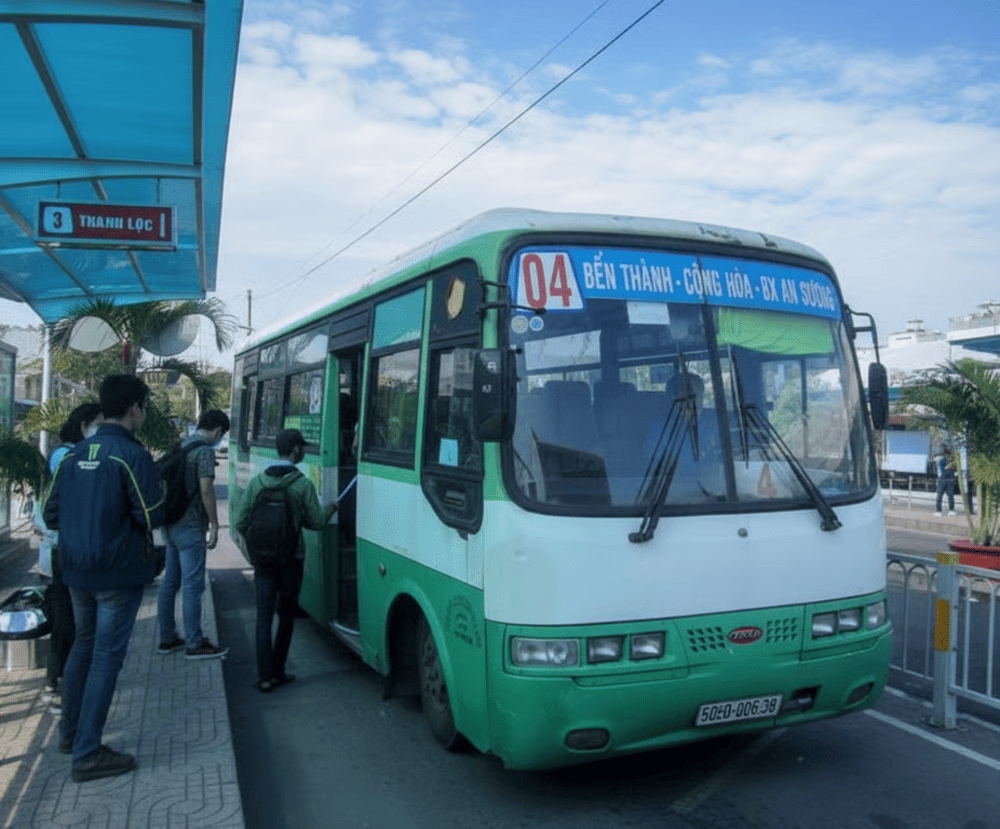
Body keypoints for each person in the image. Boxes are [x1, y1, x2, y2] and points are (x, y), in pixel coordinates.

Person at [43, 374, 165, 783]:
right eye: (143, 407)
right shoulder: (132, 455)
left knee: (84, 645)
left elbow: (51, 515)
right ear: (134, 409)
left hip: (76, 571)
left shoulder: (74, 454)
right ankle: (88, 753)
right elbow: (151, 515)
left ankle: (70, 734)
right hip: (117, 571)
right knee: (106, 658)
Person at [234, 428, 336, 693]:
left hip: (263, 562)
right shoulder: (302, 484)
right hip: (292, 559)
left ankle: (264, 677)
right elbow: (317, 522)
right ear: (295, 451)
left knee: (263, 616)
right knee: (286, 615)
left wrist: (258, 547)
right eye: (301, 448)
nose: (303, 451)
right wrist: (331, 508)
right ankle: (279, 671)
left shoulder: (258, 482)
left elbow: (240, 522)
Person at [34, 402, 103, 714]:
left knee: (69, 620)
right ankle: (59, 685)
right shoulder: (68, 456)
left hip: (64, 546)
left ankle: (59, 682)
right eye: (99, 423)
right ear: (84, 425)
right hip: (62, 548)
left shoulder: (68, 453)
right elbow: (58, 507)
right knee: (66, 621)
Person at [157, 409, 231, 660]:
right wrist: (215, 524)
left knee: (170, 582)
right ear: (218, 431)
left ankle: (167, 637)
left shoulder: (180, 446)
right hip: (190, 526)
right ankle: (195, 643)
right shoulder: (204, 452)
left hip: (170, 524)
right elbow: (206, 488)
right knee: (192, 585)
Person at [935, 446, 957, 517]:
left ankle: (951, 510)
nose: (947, 455)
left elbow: (955, 471)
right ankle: (938, 510)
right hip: (943, 479)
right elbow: (941, 470)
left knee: (950, 495)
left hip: (950, 479)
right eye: (946, 454)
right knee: (939, 495)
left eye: (948, 454)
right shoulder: (942, 461)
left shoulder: (953, 462)